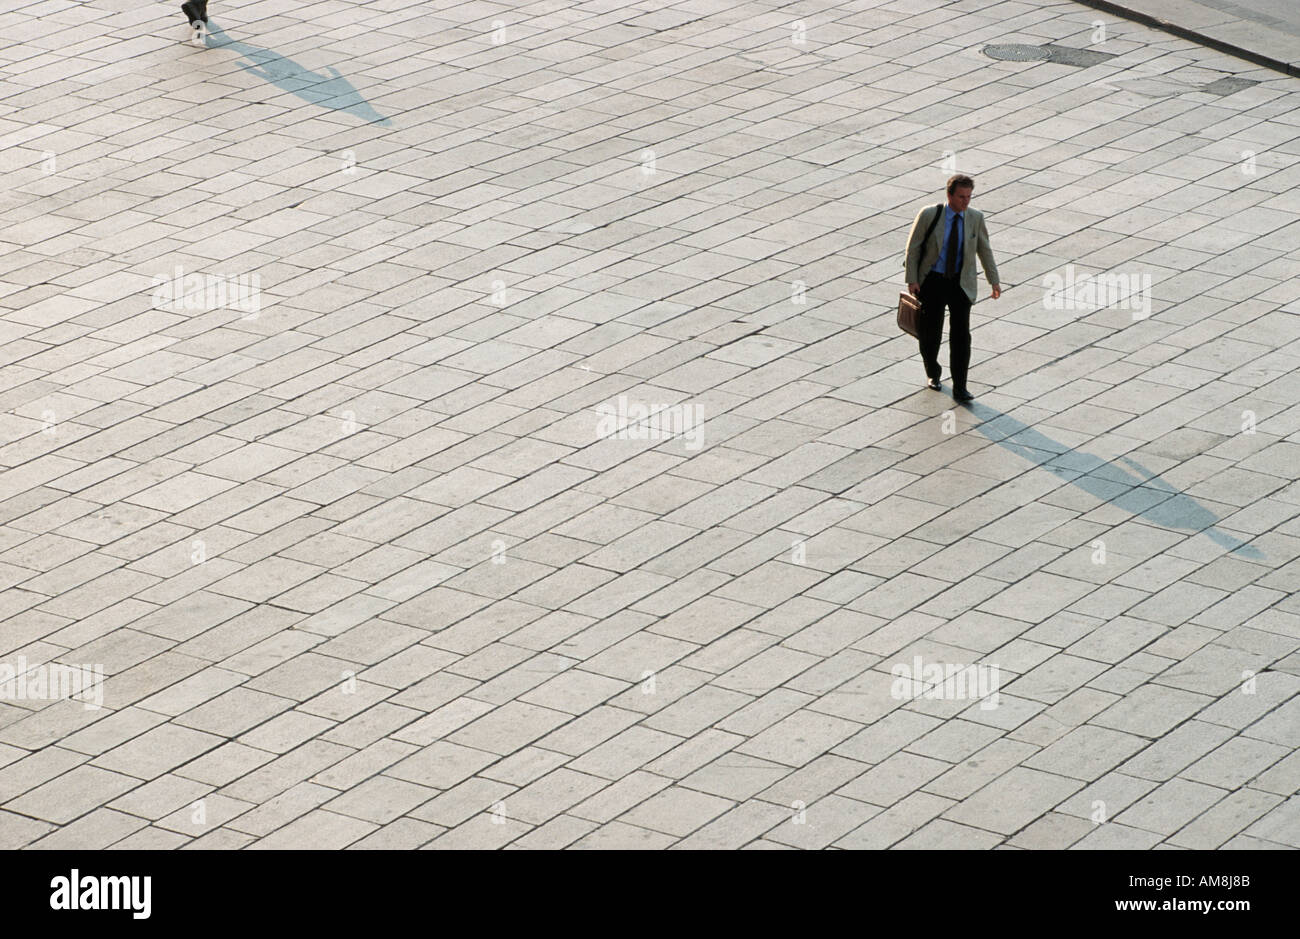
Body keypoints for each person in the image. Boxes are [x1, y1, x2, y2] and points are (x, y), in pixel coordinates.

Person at [904, 175, 1001, 402]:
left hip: (960, 283)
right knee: (930, 334)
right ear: (949, 195)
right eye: (961, 197)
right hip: (933, 281)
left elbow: (984, 250)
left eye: (969, 197)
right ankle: (933, 372)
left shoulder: (975, 218)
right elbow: (913, 248)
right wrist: (912, 279)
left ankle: (960, 386)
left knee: (961, 335)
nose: (965, 202)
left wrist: (993, 280)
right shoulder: (930, 214)